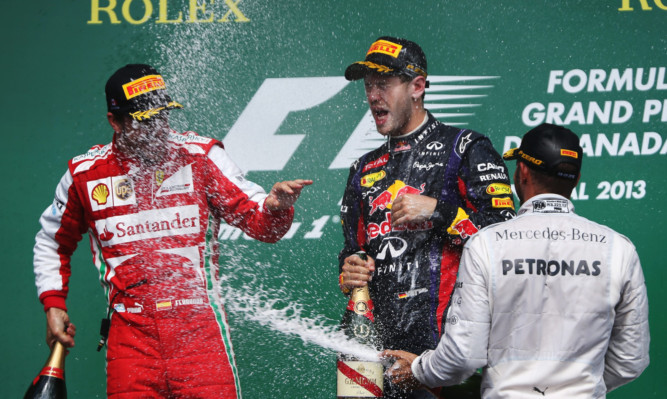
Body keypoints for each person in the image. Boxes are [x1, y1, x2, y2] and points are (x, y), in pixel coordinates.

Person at [32, 64, 312, 398]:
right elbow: (51, 242)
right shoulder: (85, 174)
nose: (157, 129)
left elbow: (260, 223)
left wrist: (275, 207)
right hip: (130, 340)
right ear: (115, 122)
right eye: (145, 120)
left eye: (162, 116)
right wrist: (53, 304)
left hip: (199, 334)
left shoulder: (200, 157)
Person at [383, 123, 650, 398]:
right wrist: (578, 384)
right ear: (577, 178)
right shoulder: (619, 249)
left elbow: (461, 357)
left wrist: (418, 369)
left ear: (522, 172)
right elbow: (631, 360)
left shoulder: (486, 244)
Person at [337, 36, 515, 398]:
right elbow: (353, 251)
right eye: (369, 86)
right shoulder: (362, 168)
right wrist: (350, 267)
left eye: (384, 84)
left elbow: (507, 241)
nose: (373, 96)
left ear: (417, 86)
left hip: (446, 360)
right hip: (374, 356)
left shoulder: (465, 148)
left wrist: (439, 211)